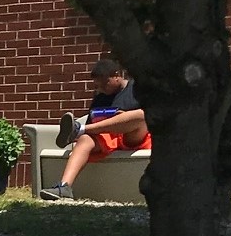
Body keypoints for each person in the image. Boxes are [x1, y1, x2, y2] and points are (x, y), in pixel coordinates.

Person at [38, 57, 150, 201]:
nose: (100, 89)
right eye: (97, 86)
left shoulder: (136, 89)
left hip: (134, 137)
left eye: (104, 84)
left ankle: (79, 129)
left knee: (140, 115)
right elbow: (94, 123)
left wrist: (122, 118)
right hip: (108, 137)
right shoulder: (100, 97)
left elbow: (151, 115)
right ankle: (64, 187)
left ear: (116, 75)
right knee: (85, 138)